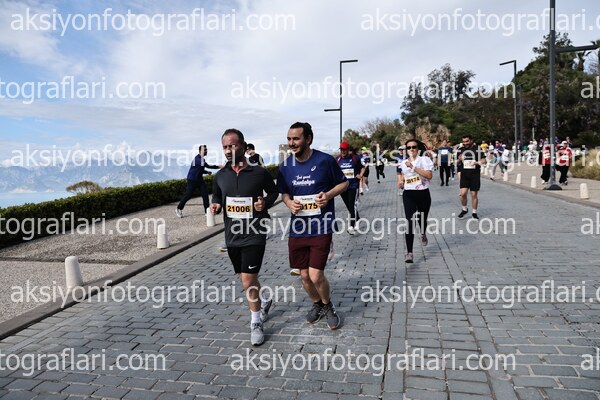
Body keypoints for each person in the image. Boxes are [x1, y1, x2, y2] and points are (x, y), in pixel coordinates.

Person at [209, 129, 279, 346]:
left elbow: (274, 192)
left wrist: (264, 204)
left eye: (233, 145)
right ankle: (264, 299)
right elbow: (217, 196)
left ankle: (256, 322)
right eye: (225, 147)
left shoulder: (259, 173)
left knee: (248, 280)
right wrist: (216, 205)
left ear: (243, 146)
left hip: (254, 233)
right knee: (245, 277)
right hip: (232, 236)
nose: (228, 150)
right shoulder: (220, 175)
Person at [277, 122, 348, 330]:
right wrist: (289, 203)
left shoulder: (325, 161)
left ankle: (328, 306)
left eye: (296, 139)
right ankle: (317, 304)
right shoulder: (285, 166)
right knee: (304, 276)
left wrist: (328, 195)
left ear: (308, 139)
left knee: (316, 275)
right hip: (298, 229)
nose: (292, 143)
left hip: (321, 227)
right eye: (289, 139)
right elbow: (283, 193)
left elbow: (344, 183)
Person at [397, 139, 433, 263]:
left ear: (418, 148)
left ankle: (423, 233)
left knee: (422, 219)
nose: (411, 149)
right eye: (409, 147)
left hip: (423, 193)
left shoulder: (424, 160)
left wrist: (413, 167)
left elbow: (429, 176)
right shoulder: (403, 162)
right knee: (409, 222)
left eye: (414, 147)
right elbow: (403, 175)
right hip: (409, 194)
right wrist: (401, 181)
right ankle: (409, 253)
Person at [176, 145, 220, 218]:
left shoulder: (202, 159)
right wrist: (219, 166)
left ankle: (207, 212)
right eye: (204, 150)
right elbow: (208, 166)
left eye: (206, 150)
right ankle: (179, 208)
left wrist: (207, 172)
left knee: (205, 194)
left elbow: (199, 169)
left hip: (199, 180)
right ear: (200, 151)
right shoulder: (198, 159)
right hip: (192, 180)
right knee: (188, 195)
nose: (206, 151)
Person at [336, 141, 365, 235]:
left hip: (353, 185)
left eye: (344, 150)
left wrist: (360, 175)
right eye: (341, 149)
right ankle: (357, 218)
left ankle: (351, 226)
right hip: (342, 187)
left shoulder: (355, 158)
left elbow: (363, 168)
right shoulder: (337, 160)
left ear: (348, 150)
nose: (343, 151)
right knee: (349, 206)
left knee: (352, 205)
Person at [457, 135, 486, 219]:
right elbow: (457, 163)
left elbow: (484, 160)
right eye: (464, 142)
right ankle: (464, 209)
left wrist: (477, 163)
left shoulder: (477, 148)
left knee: (474, 194)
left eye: (467, 141)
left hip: (475, 175)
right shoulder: (460, 149)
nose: (465, 143)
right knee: (462, 194)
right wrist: (459, 159)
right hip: (464, 175)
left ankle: (474, 213)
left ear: (471, 140)